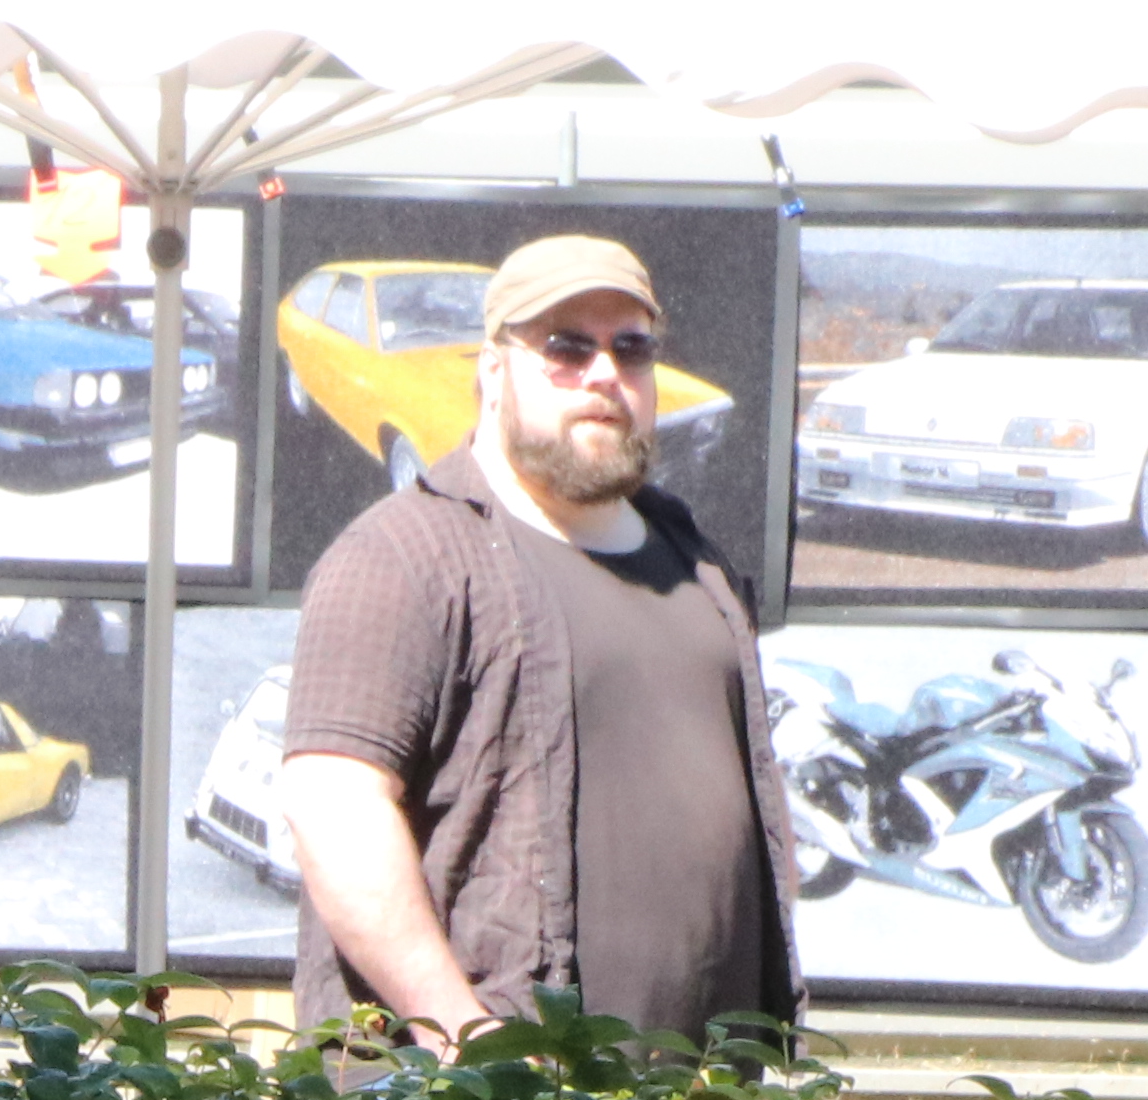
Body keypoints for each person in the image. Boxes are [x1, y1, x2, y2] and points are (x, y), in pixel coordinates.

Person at [277, 234, 800, 1050]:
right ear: (493, 370)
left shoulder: (695, 561)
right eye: (565, 347)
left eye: (631, 349)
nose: (603, 374)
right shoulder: (405, 556)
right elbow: (334, 811)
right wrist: (466, 1039)